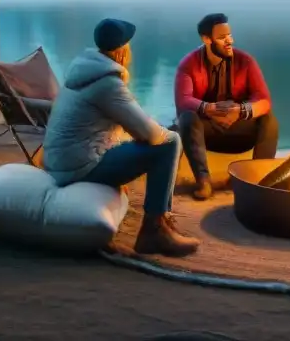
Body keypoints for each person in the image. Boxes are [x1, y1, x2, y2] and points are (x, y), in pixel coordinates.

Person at [43, 18, 200, 257]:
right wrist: (154, 133)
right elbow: (149, 133)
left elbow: (132, 126)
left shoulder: (85, 72)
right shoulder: (107, 84)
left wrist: (145, 134)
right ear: (122, 50)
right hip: (79, 167)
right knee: (170, 143)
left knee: (153, 140)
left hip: (60, 162)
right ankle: (154, 231)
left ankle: (161, 222)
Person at [174, 13, 278, 201]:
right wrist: (210, 108)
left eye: (229, 35)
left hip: (238, 130)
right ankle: (203, 182)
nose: (230, 41)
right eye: (222, 38)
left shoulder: (246, 61)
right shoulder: (188, 64)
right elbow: (183, 101)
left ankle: (258, 181)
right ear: (206, 39)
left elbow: (263, 99)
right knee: (187, 118)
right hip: (206, 134)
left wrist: (240, 111)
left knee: (269, 120)